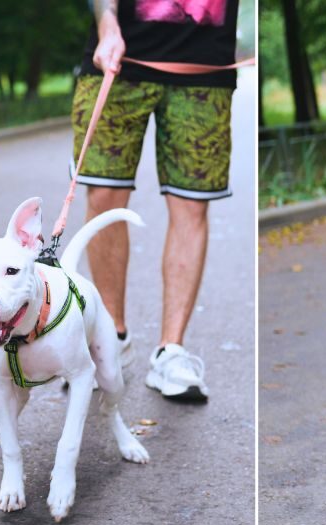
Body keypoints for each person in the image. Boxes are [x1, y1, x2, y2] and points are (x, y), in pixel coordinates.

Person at [73, 0, 240, 402]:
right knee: (104, 199)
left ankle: (171, 351)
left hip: (205, 68)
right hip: (116, 59)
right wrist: (107, 22)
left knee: (192, 204)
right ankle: (112, 340)